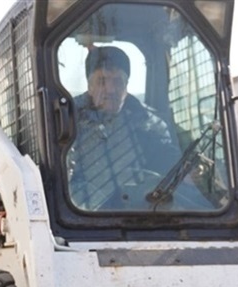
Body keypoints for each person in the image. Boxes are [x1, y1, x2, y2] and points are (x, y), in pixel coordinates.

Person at [67, 46, 181, 211]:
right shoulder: (66, 120)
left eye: (118, 81)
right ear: (90, 86)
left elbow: (168, 163)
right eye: (102, 81)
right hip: (82, 219)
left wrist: (190, 176)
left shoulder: (149, 123)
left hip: (140, 216)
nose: (111, 89)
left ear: (126, 86)